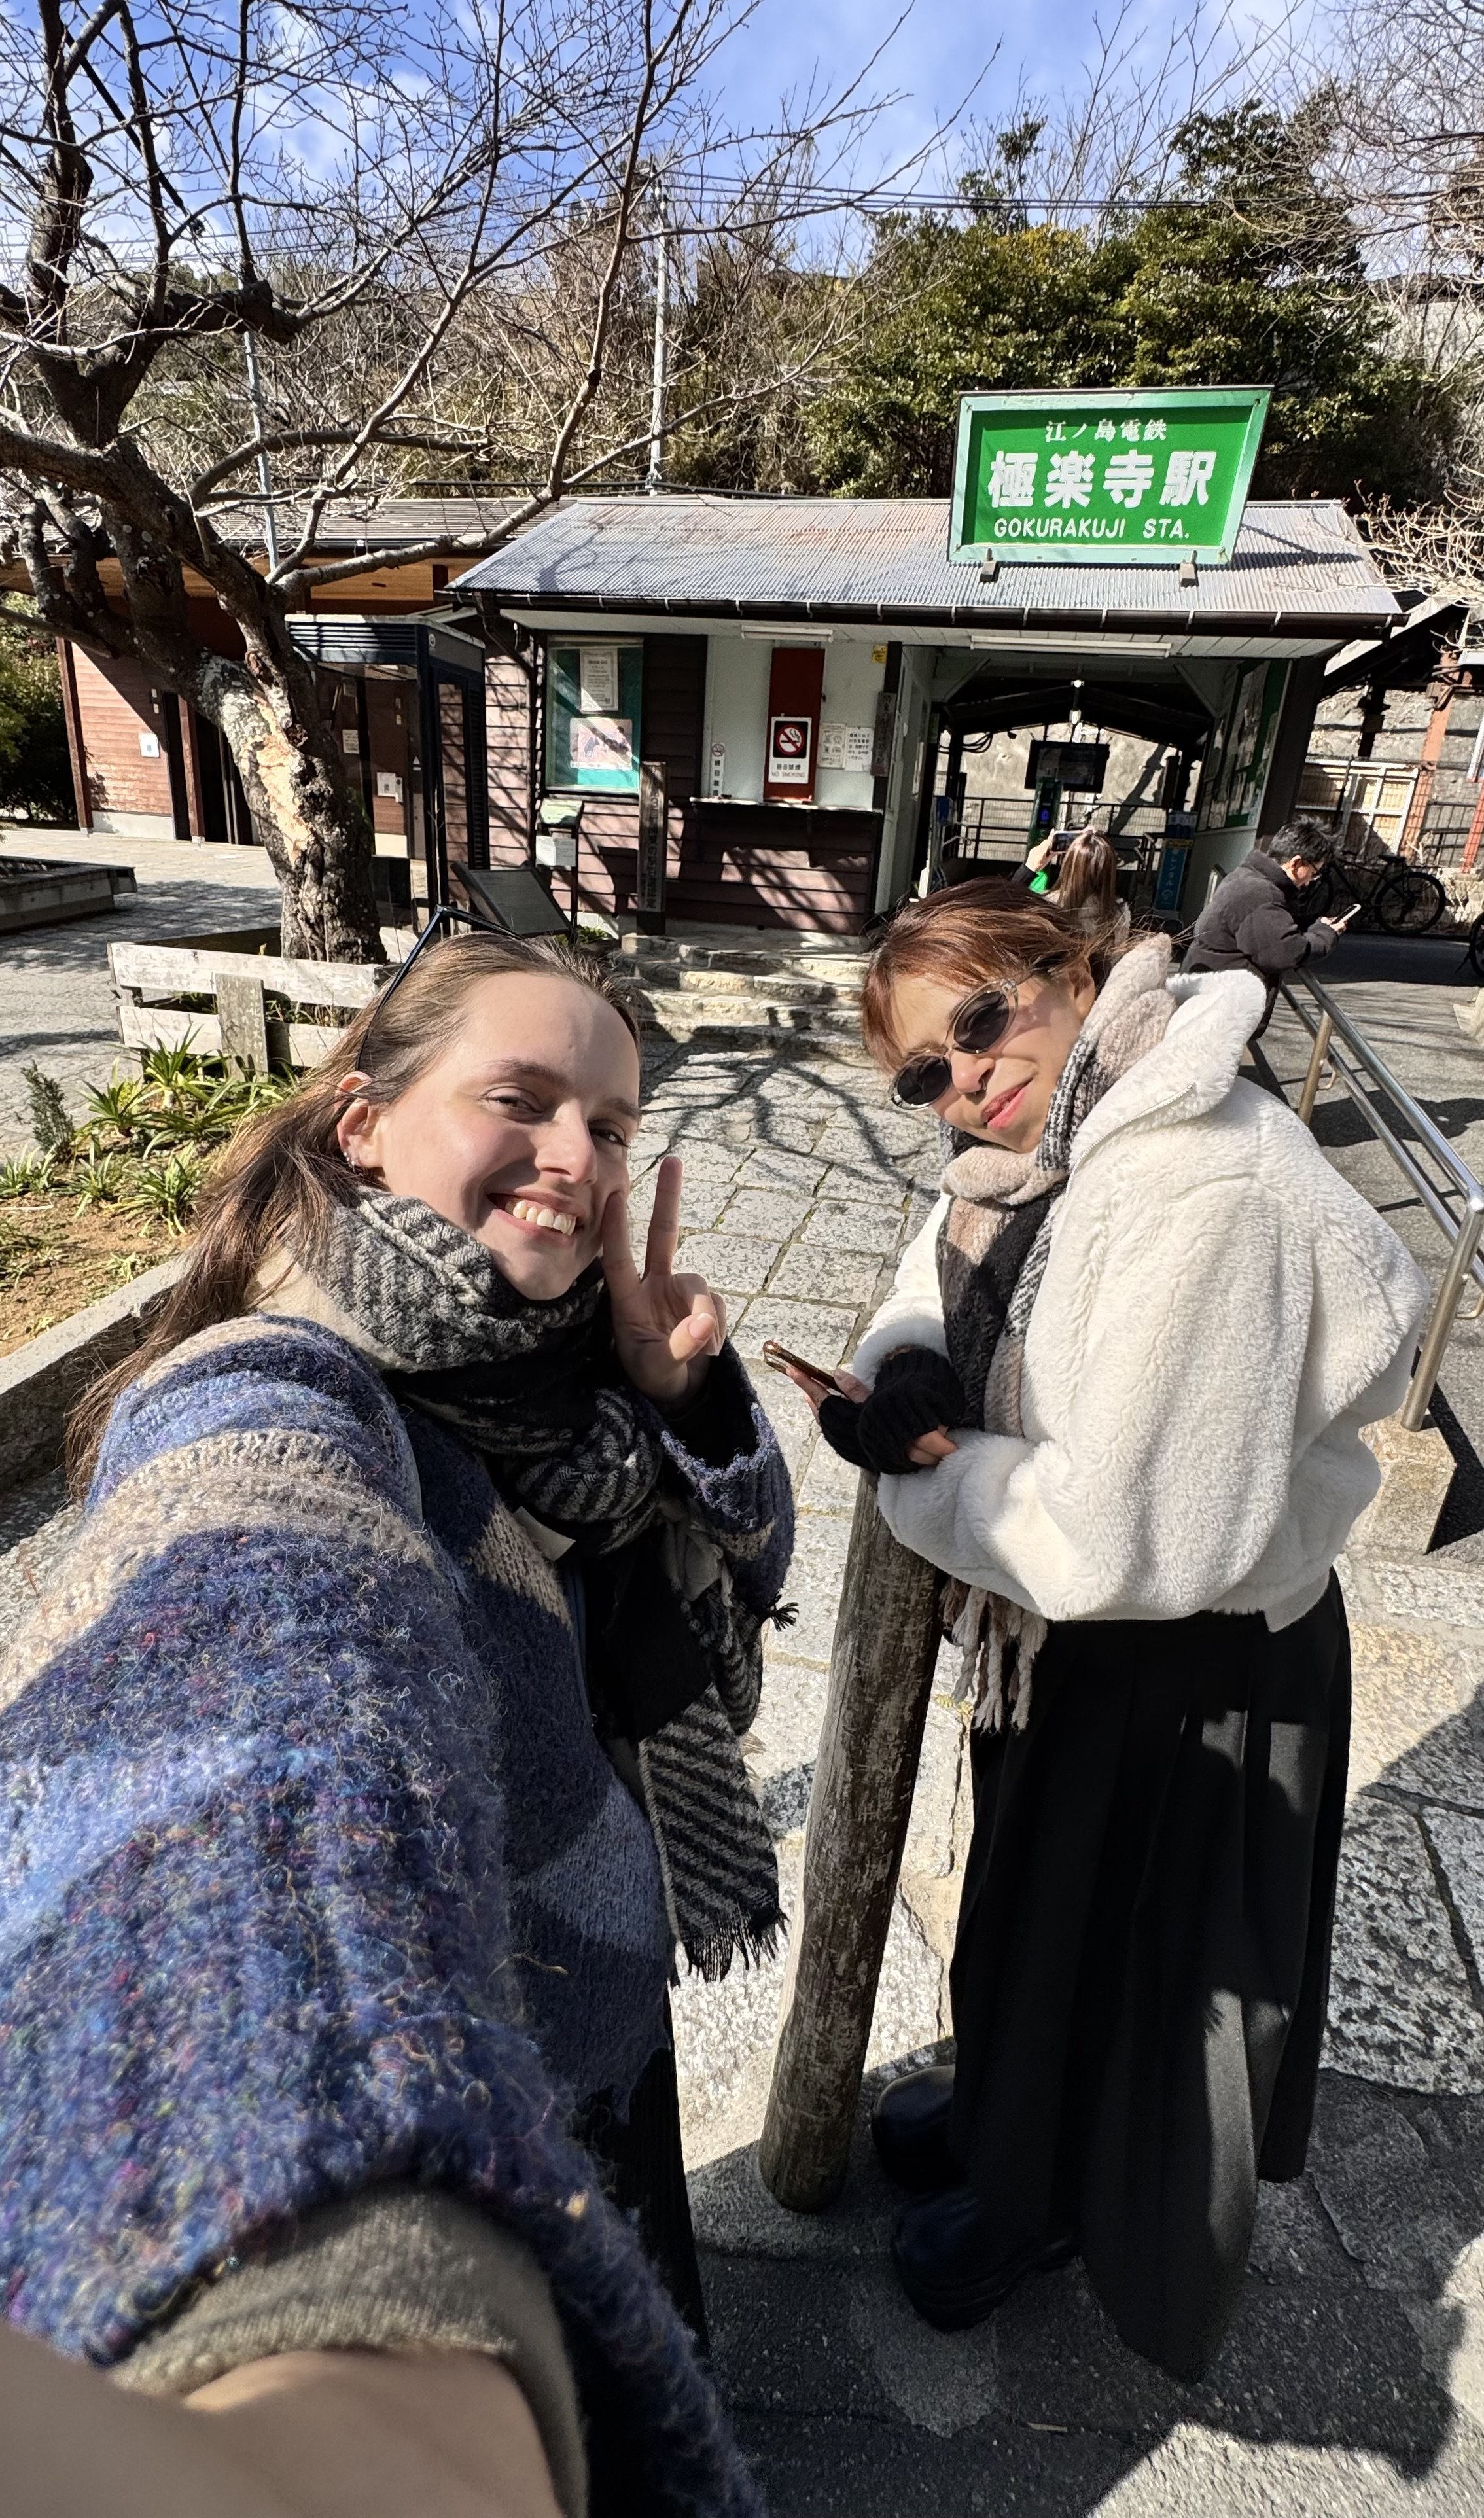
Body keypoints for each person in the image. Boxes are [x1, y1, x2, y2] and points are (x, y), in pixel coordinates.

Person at [1, 927, 791, 2518]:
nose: (577, 1155)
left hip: (598, 1993)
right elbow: (241, 1682)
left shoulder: (563, 1363)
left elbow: (747, 1578)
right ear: (364, 1120)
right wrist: (318, 2337)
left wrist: (686, 1399)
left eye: (614, 1122)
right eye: (524, 1099)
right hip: (457, 2045)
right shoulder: (279, 1384)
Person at [786, 878, 1427, 2381]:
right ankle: (1006, 2116)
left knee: (1116, 1962)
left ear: (1070, 972)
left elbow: (1130, 1539)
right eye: (924, 1070)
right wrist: (911, 1385)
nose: (966, 1076)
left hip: (1195, 1655)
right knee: (1024, 1917)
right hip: (1077, 1645)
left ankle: (1041, 2206)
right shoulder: (1041, 1145)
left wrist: (920, 1487)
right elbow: (919, 1289)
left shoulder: (1202, 1176)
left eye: (985, 1019)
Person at [1184, 819, 1354, 1031]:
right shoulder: (1260, 893)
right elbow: (1285, 951)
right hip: (1220, 1010)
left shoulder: (1247, 877)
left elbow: (1271, 931)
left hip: (1207, 995)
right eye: (1314, 872)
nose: (1311, 881)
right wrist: (1326, 934)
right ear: (1296, 863)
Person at [1014, 826, 1127, 936]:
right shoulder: (1119, 914)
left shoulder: (1047, 905)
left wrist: (1030, 867)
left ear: (1069, 864)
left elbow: (1005, 908)